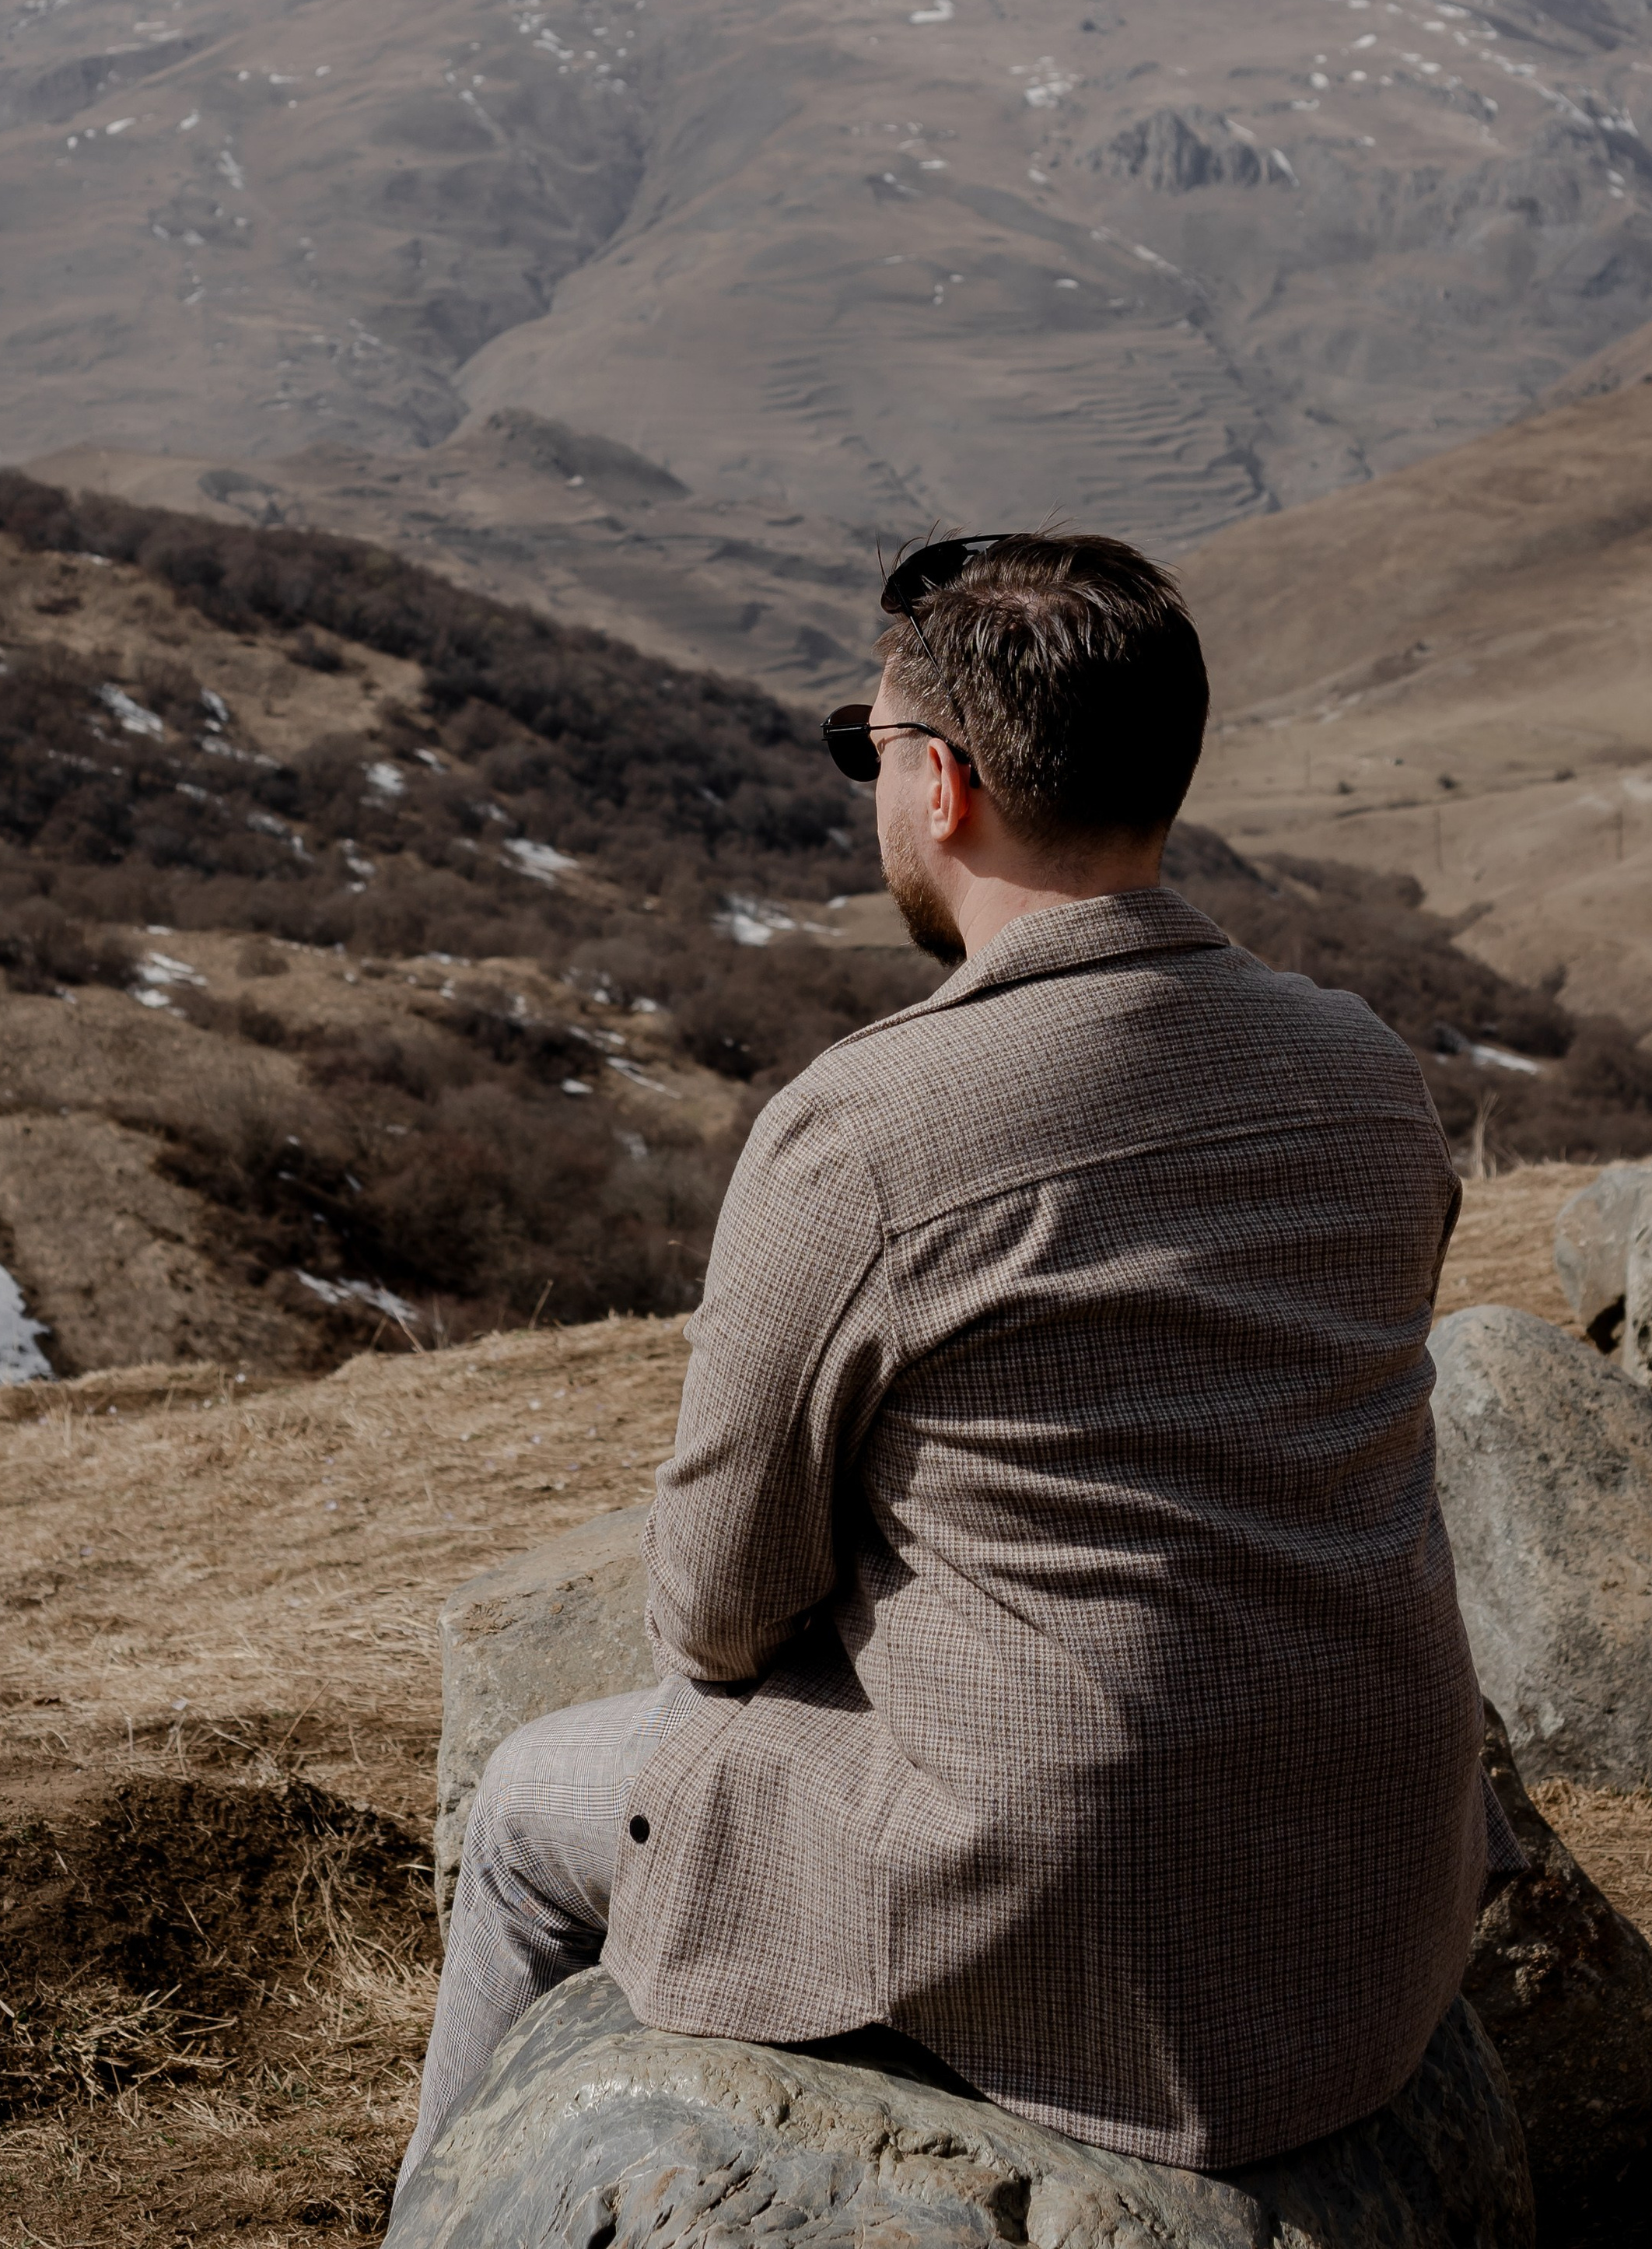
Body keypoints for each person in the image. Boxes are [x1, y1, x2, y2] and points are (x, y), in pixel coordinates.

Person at [397, 531, 1507, 2191]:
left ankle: (459, 2212)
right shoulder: (1361, 1069)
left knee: (523, 1805)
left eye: (871, 748)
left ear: (944, 785)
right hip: (1370, 1878)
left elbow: (714, 1600)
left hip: (1070, 1902)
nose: (872, 788)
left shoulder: (865, 1127)